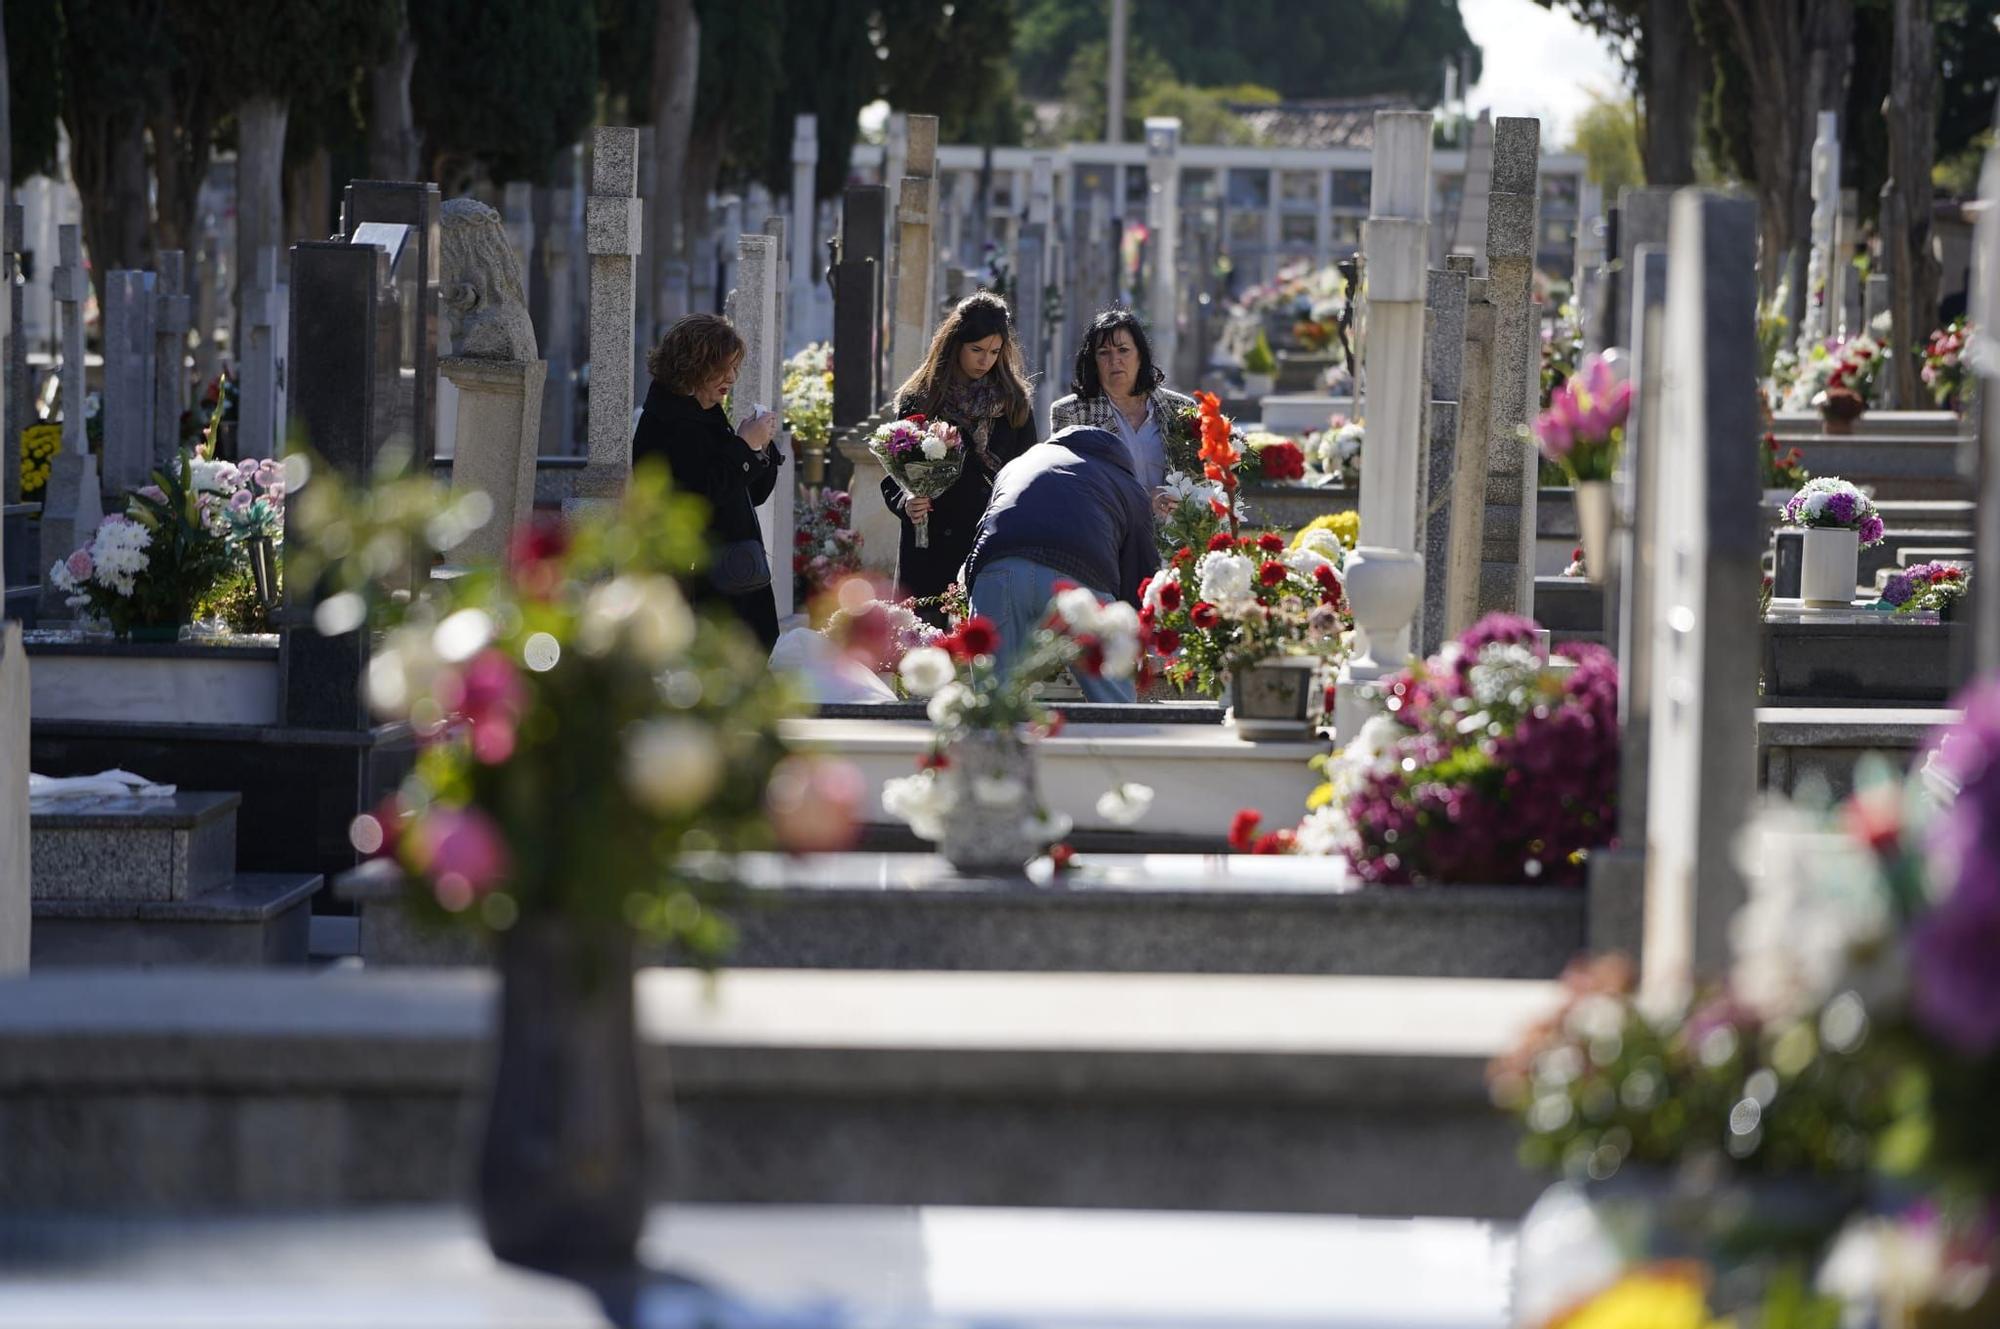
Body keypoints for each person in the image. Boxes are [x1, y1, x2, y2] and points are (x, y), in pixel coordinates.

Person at [961, 425, 1158, 703]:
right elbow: (1140, 574)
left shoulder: (1019, 463)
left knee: (995, 707)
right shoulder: (1128, 485)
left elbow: (988, 525)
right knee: (1116, 709)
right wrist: (1134, 644)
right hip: (1078, 582)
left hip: (998, 570)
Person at [882, 292, 1037, 624]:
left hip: (987, 539)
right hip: (930, 541)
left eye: (994, 352)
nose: (985, 361)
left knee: (980, 647)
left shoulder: (1014, 404)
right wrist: (907, 501)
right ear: (955, 344)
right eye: (977, 350)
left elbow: (1028, 473)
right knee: (925, 642)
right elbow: (893, 470)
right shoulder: (921, 398)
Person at [631, 313, 784, 649]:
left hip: (736, 573)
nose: (730, 377)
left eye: (734, 368)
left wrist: (760, 448)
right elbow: (697, 495)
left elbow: (750, 493)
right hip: (701, 580)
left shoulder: (705, 414)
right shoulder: (668, 420)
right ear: (693, 364)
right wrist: (744, 447)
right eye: (722, 368)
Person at [1049, 309, 1196, 509]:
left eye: (1123, 350)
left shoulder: (1181, 409)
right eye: (1104, 353)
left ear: (1140, 355)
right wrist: (1144, 500)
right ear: (1093, 361)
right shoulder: (1070, 413)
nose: (1114, 360)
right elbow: (1069, 486)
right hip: (1108, 535)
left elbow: (1198, 480)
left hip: (1174, 533)